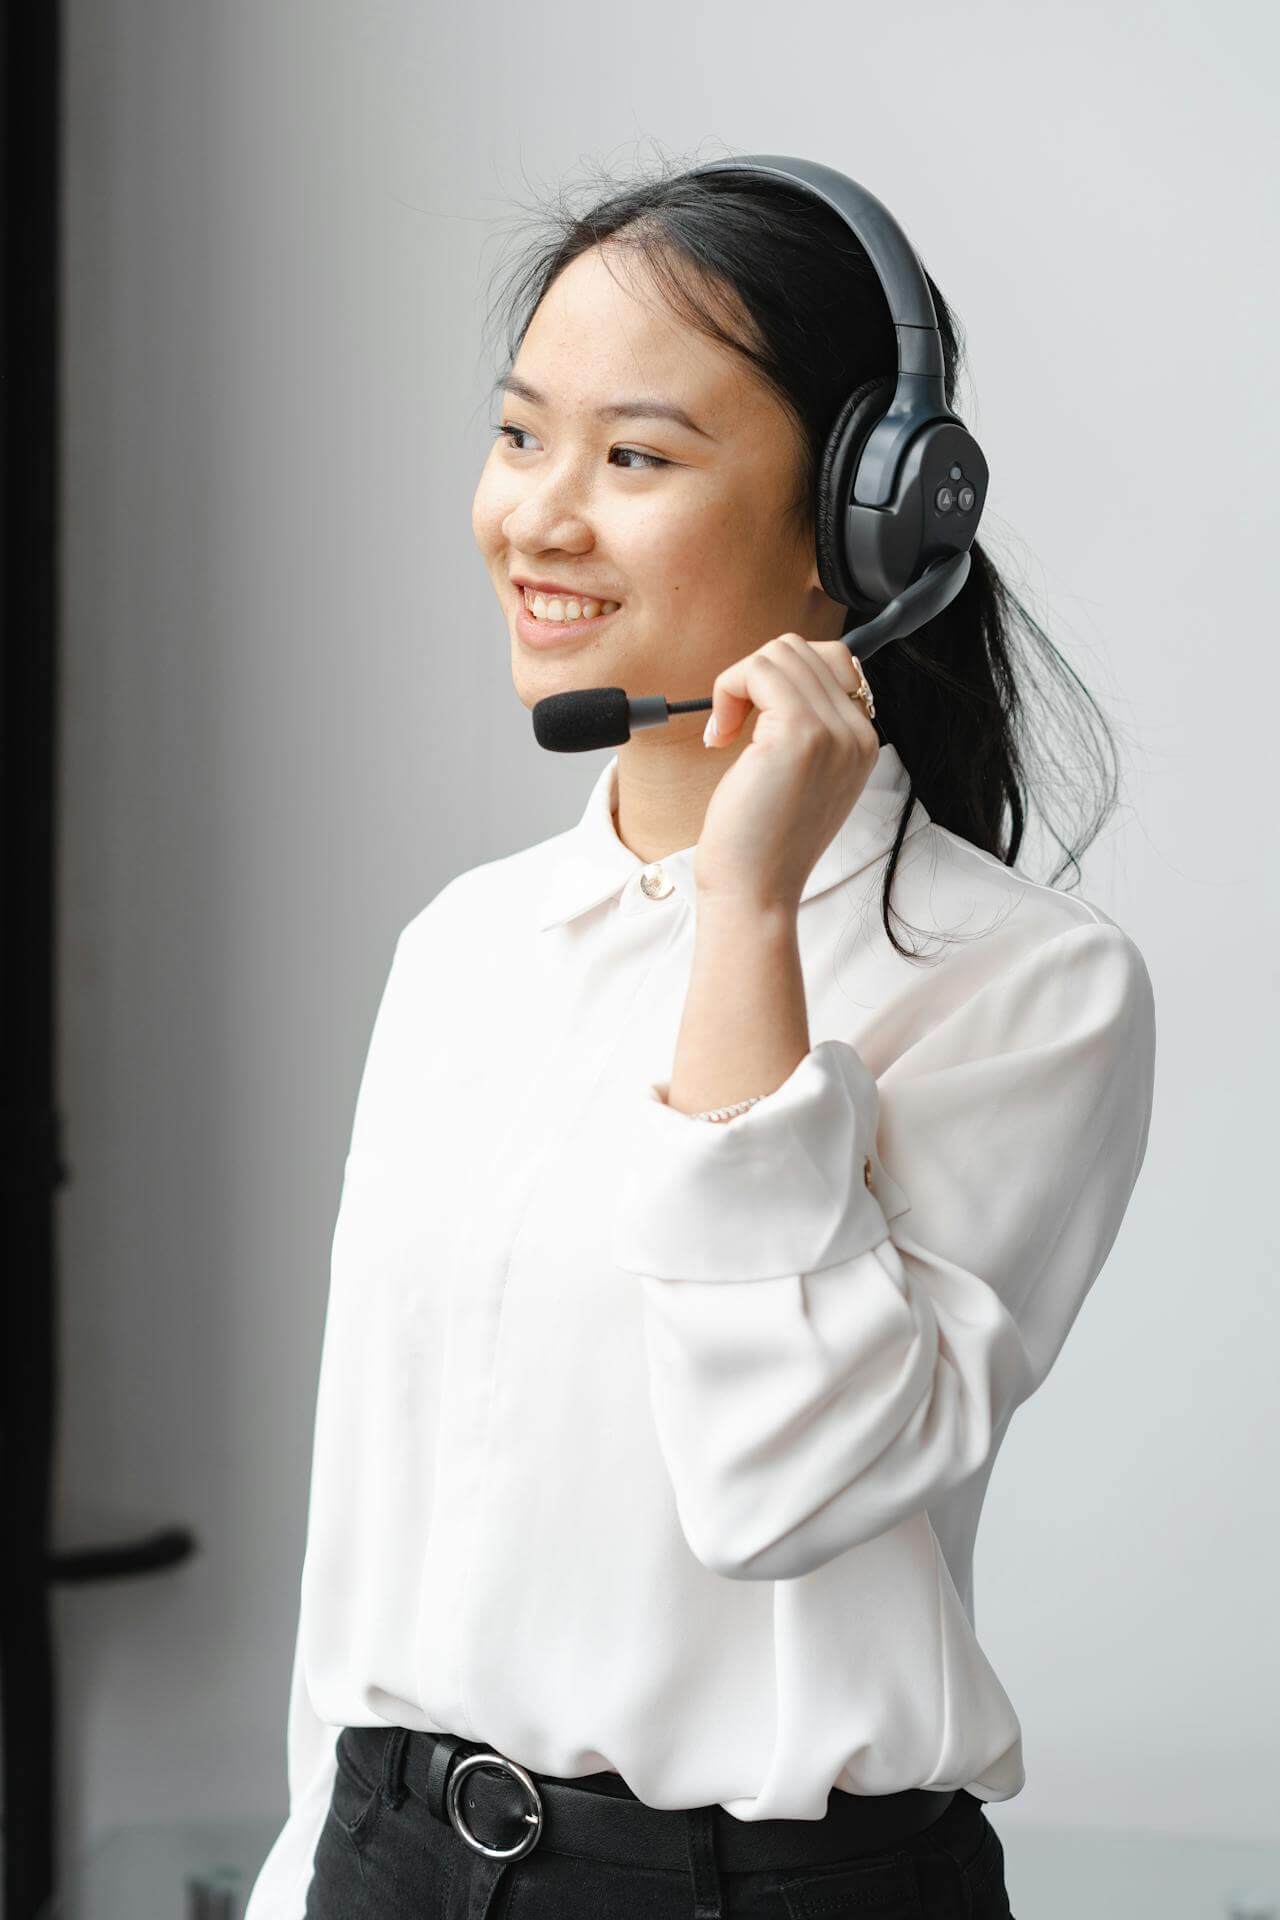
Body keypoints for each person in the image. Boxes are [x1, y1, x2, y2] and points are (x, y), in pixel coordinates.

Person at [244, 157, 1156, 1920]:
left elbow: (780, 1484)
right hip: (391, 1859)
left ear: (866, 524)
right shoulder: (465, 952)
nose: (540, 518)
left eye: (636, 458)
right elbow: (371, 1536)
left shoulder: (1027, 987)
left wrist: (749, 917)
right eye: (521, 437)